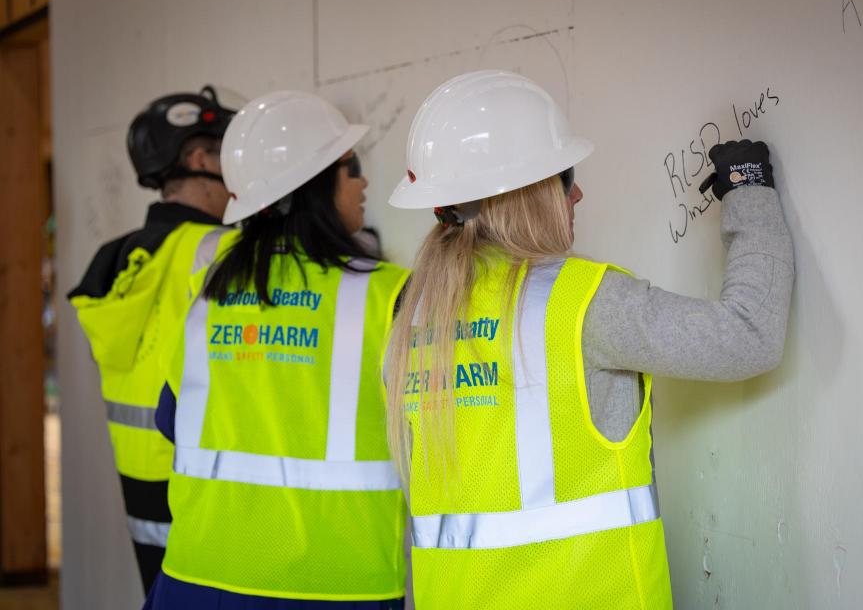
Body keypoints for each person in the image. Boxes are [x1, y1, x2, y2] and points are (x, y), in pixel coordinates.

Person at [384, 70, 794, 610]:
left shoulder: (416, 312)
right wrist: (748, 192)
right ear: (525, 193)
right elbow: (749, 336)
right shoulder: (584, 302)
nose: (577, 192)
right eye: (564, 176)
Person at [144, 91, 409, 609]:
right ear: (314, 184)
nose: (364, 181)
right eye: (351, 166)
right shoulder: (388, 295)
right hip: (332, 585)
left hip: (196, 577)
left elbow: (170, 419)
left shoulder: (208, 293)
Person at [69, 86, 237, 592]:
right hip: (201, 485)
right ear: (201, 158)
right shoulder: (220, 250)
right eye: (228, 152)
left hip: (139, 487)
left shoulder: (117, 258)